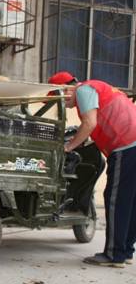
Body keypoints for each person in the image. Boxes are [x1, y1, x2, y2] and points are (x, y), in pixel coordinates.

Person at [48, 71, 136, 268]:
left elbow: (90, 123)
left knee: (116, 199)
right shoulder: (97, 88)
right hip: (132, 143)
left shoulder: (84, 90)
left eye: (57, 96)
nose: (60, 102)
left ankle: (114, 255)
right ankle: (125, 250)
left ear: (65, 88)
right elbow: (97, 126)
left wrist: (68, 147)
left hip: (126, 145)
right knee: (130, 201)